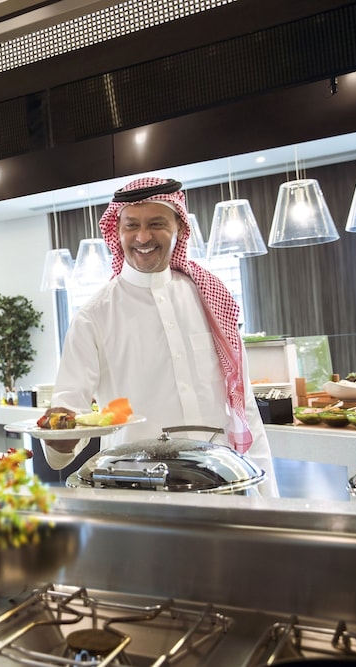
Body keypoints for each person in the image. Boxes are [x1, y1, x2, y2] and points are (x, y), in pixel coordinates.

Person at [39, 176, 279, 496]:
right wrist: (61, 438)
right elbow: (66, 427)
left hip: (223, 482)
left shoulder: (211, 296)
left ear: (178, 225)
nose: (142, 236)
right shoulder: (94, 316)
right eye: (131, 225)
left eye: (156, 223)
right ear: (117, 230)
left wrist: (267, 495)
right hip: (134, 487)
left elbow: (243, 405)